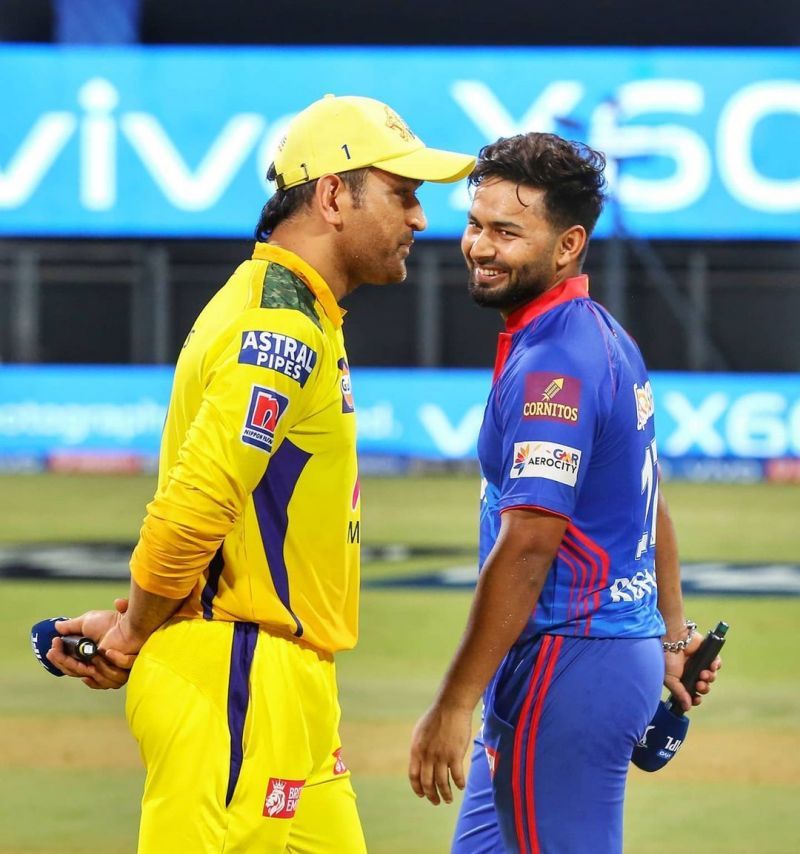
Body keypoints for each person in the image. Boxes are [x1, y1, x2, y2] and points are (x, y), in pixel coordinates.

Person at [46, 93, 475, 853]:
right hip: (238, 675)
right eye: (404, 195)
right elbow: (196, 501)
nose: (420, 219)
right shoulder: (277, 327)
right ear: (335, 195)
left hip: (287, 683)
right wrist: (135, 631)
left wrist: (134, 625)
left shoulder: (292, 313)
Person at [408, 132, 721, 853]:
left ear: (568, 244)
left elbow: (527, 547)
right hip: (583, 657)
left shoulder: (559, 364)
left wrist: (453, 704)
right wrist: (670, 638)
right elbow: (651, 502)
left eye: (507, 232)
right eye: (475, 224)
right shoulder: (593, 335)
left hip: (568, 664)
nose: (479, 247)